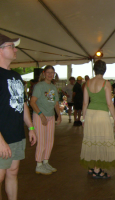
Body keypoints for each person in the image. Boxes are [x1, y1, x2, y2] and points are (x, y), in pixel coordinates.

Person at [0, 33, 36, 200]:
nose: (15, 50)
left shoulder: (16, 76)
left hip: (16, 135)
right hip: (1, 137)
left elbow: (21, 104)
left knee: (13, 172)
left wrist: (30, 127)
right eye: (11, 46)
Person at [80, 60, 115, 179]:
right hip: (101, 115)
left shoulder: (87, 83)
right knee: (100, 141)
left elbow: (85, 103)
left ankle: (93, 167)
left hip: (90, 114)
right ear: (104, 70)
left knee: (92, 140)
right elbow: (109, 104)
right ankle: (97, 170)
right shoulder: (106, 83)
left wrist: (83, 118)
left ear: (94, 69)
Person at [30, 65, 61, 175]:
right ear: (44, 73)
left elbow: (55, 103)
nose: (50, 74)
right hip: (40, 116)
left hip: (51, 116)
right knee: (42, 141)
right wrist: (41, 115)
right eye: (48, 72)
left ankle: (45, 162)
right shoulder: (39, 86)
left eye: (52, 72)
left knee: (50, 141)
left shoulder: (52, 87)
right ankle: (39, 165)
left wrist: (59, 115)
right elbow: (32, 102)